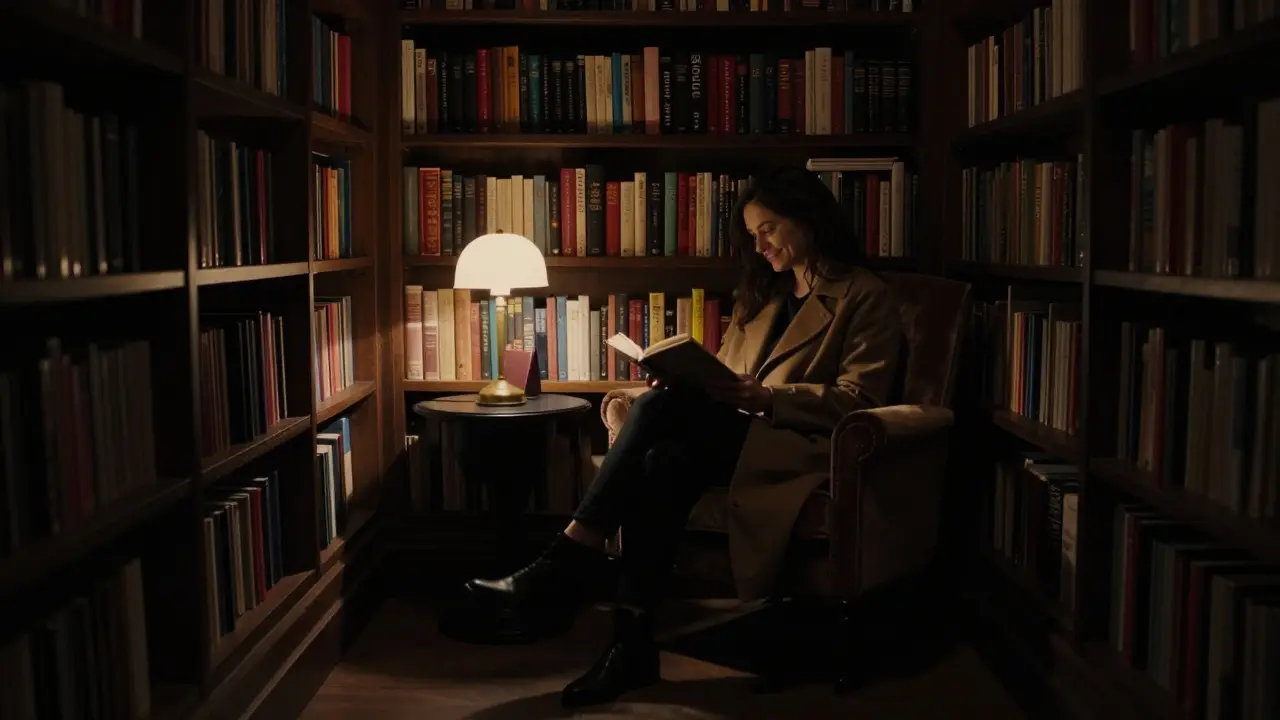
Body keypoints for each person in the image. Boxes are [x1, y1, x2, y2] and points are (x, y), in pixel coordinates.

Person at [461, 165, 906, 707]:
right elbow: (725, 376)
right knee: (661, 463)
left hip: (797, 449)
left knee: (664, 421)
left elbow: (860, 400)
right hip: (737, 440)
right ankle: (631, 644)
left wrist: (767, 399)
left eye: (767, 229)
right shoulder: (762, 294)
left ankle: (572, 559)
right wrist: (690, 378)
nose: (758, 244)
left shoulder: (864, 296)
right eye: (751, 234)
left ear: (806, 220)